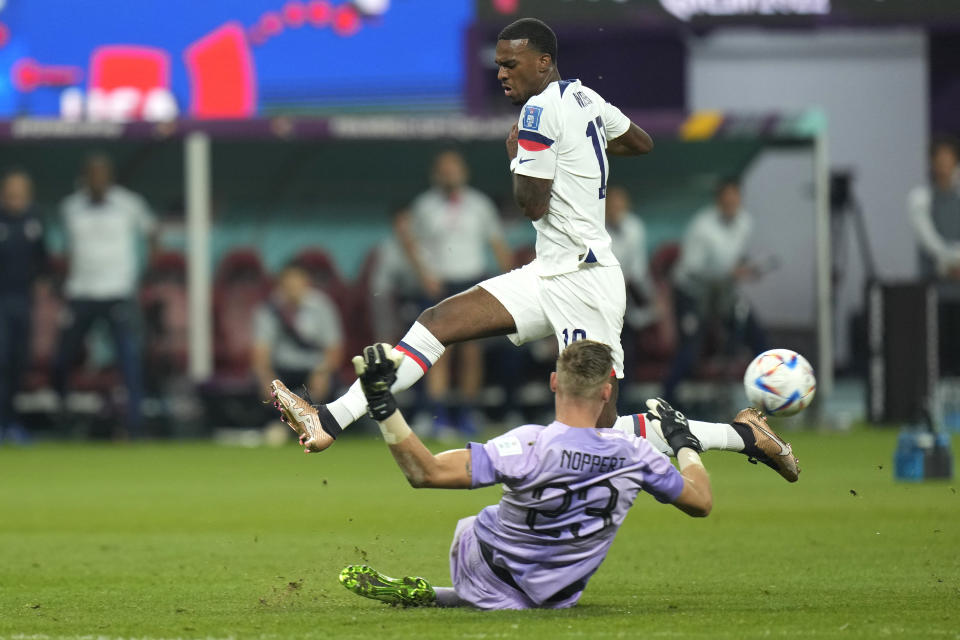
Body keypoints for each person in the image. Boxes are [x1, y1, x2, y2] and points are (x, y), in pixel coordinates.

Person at [273, 18, 798, 483]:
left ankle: (744, 436)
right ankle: (329, 419)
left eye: (511, 64)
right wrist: (576, 146)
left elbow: (529, 203)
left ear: (543, 62)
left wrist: (524, 155)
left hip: (586, 282)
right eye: (498, 64)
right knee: (438, 322)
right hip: (549, 271)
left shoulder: (538, 114)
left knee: (603, 429)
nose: (501, 73)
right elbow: (640, 142)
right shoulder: (584, 98)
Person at [329, 340, 711, 609]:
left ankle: (443, 594)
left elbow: (424, 473)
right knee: (543, 573)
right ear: (607, 392)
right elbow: (700, 502)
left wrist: (383, 406)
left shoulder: (529, 445)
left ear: (554, 382)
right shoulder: (638, 454)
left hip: (483, 570)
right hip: (562, 594)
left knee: (480, 525)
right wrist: (683, 441)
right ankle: (441, 596)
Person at [400, 150, 514, 435]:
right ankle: (435, 415)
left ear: (464, 172)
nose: (450, 174)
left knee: (472, 352)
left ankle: (467, 413)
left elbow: (497, 243)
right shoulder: (424, 206)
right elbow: (410, 243)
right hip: (438, 284)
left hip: (472, 282)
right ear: (435, 174)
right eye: (444, 169)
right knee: (436, 350)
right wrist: (424, 275)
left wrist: (510, 279)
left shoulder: (479, 204)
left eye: (455, 168)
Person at [53, 153, 157, 438]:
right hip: (81, 293)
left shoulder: (129, 204)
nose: (97, 180)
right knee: (62, 359)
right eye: (92, 174)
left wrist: (146, 273)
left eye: (102, 174)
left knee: (128, 361)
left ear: (110, 177)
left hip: (118, 292)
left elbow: (152, 233)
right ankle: (62, 419)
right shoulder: (70, 207)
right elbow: (68, 248)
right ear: (85, 177)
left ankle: (134, 426)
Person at [662, 178, 767, 405]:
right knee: (689, 350)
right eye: (726, 198)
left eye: (735, 197)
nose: (731, 202)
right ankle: (666, 402)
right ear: (718, 200)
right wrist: (730, 272)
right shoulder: (702, 227)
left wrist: (745, 268)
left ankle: (771, 398)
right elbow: (692, 268)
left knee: (757, 337)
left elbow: (735, 257)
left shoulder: (744, 223)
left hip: (722, 293)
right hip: (692, 292)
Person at [252, 262, 344, 406]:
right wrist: (266, 379)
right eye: (288, 285)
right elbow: (260, 354)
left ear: (306, 283)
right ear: (280, 285)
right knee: (261, 392)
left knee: (333, 392)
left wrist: (323, 373)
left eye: (297, 284)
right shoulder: (269, 310)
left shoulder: (322, 306)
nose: (292, 290)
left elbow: (334, 349)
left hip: (315, 370)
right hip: (283, 370)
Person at [0, 169, 47, 442]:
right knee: (1, 362)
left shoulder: (34, 221)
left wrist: (41, 280)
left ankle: (12, 423)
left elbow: (43, 259)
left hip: (23, 301)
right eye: (11, 192)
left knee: (19, 363)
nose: (15, 197)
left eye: (21, 192)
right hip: (1, 301)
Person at [908, 136, 960, 374]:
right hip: (935, 292)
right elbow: (930, 242)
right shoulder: (921, 200)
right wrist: (948, 265)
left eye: (948, 160)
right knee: (938, 356)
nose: (944, 166)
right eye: (939, 160)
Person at [605, 185, 656, 376]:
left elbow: (638, 270)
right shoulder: (593, 228)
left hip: (627, 296)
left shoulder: (635, 227)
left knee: (626, 348)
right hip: (600, 297)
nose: (615, 209)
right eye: (611, 204)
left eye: (620, 204)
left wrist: (650, 299)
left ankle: (623, 396)